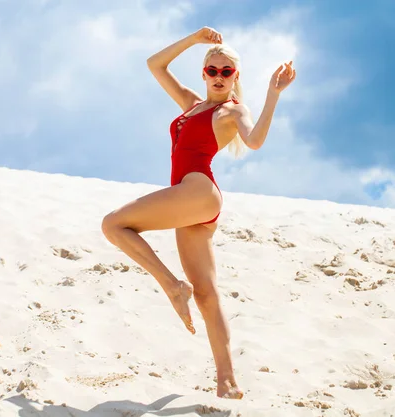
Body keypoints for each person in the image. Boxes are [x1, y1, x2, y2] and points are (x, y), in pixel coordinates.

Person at [101, 26, 296, 399]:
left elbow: (254, 141)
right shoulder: (192, 104)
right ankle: (227, 382)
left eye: (227, 72)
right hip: (193, 206)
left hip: (198, 190)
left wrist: (272, 95)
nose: (219, 77)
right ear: (204, 74)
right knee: (206, 294)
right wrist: (194, 40)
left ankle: (173, 286)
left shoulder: (232, 110)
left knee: (113, 224)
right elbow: (155, 65)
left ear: (235, 77)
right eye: (213, 71)